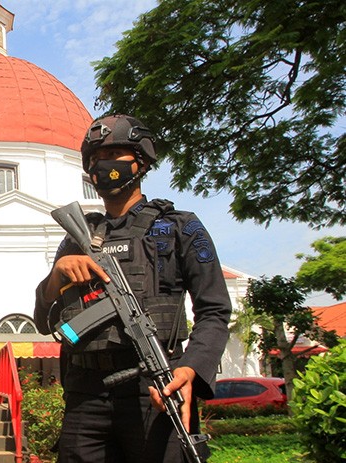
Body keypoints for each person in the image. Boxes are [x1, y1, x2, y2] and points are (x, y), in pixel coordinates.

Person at [34, 114, 232, 462]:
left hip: (156, 387)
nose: (101, 166)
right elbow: (44, 321)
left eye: (112, 156)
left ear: (140, 160)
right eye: (94, 160)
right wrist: (56, 277)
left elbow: (214, 310)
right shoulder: (78, 237)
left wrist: (190, 369)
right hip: (85, 393)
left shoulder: (179, 227)